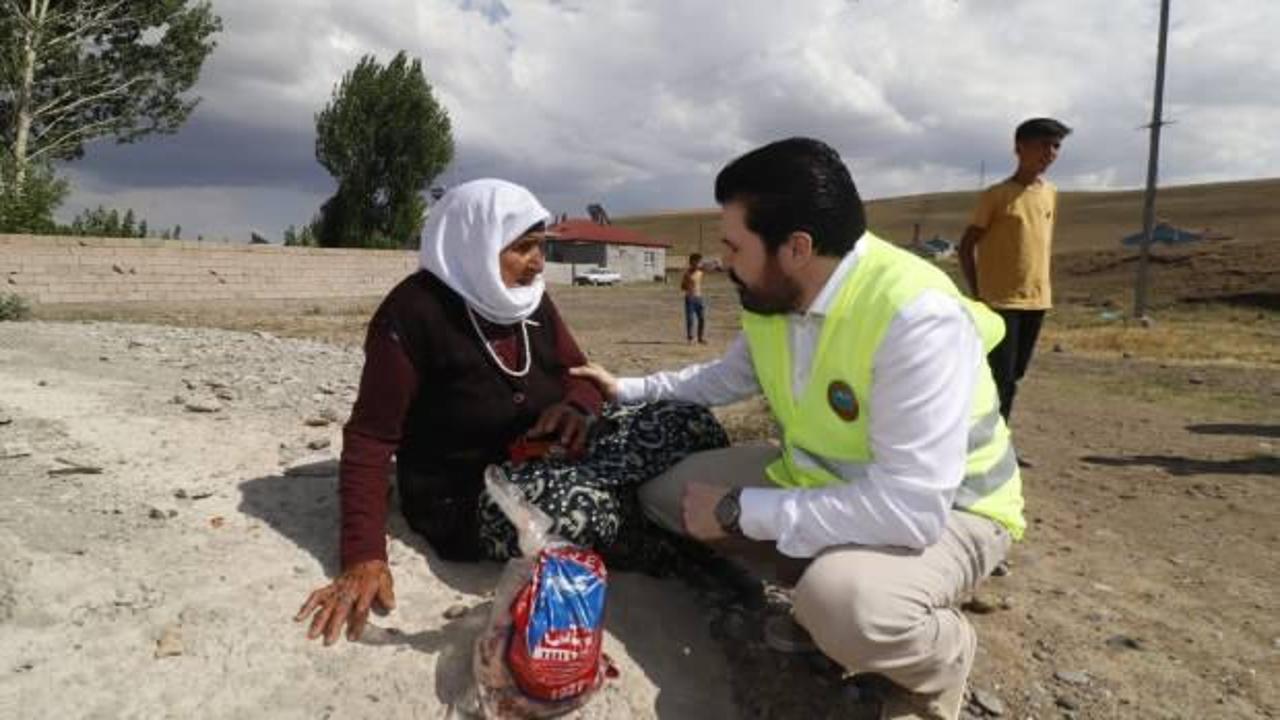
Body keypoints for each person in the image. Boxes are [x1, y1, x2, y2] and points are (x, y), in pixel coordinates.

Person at [571, 139, 1025, 720]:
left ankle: (936, 658)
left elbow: (911, 509)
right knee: (670, 498)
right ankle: (825, 599)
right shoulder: (777, 295)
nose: (723, 262)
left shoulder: (914, 316)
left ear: (796, 247)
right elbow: (726, 378)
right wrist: (626, 388)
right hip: (821, 483)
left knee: (847, 605)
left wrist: (740, 511)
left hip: (955, 511)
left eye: (734, 246)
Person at [295, 179, 727, 646]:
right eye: (522, 249)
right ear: (473, 244)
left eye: (539, 247)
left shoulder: (531, 300)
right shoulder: (411, 315)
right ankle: (684, 551)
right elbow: (370, 439)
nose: (538, 263)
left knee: (686, 418)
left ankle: (649, 507)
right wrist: (362, 554)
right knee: (575, 510)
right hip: (467, 494)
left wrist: (575, 408)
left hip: (552, 451)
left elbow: (579, 374)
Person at [959, 117, 1072, 422]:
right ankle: (987, 445)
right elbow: (966, 246)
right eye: (1043, 144)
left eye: (1056, 146)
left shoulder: (1050, 193)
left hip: (1037, 300)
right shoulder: (996, 195)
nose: (1050, 152)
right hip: (1000, 301)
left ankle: (997, 439)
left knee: (1015, 375)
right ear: (1019, 148)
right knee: (1000, 377)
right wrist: (979, 295)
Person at [681, 252, 706, 343]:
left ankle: (700, 338)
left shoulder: (700, 272)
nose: (699, 264)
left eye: (700, 262)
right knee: (690, 319)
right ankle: (690, 338)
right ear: (692, 262)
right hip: (690, 298)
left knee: (702, 318)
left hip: (699, 298)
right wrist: (688, 285)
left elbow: (708, 267)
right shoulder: (687, 274)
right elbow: (682, 287)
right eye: (698, 262)